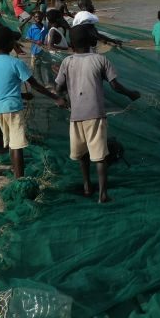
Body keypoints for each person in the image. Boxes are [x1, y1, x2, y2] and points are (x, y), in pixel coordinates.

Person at [55, 25, 141, 202]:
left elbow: (58, 88)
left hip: (76, 115)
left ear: (71, 44)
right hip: (95, 115)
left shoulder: (67, 62)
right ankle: (102, 194)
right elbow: (115, 85)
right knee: (100, 156)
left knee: (82, 154)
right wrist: (131, 94)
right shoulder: (100, 60)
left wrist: (62, 94)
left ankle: (87, 186)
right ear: (91, 41)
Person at [0, 26, 65, 178]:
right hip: (13, 108)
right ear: (11, 44)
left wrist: (22, 95)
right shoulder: (16, 63)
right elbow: (35, 85)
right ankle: (20, 178)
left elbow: (0, 85)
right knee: (17, 145)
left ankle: (15, 170)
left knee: (10, 141)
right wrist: (56, 98)